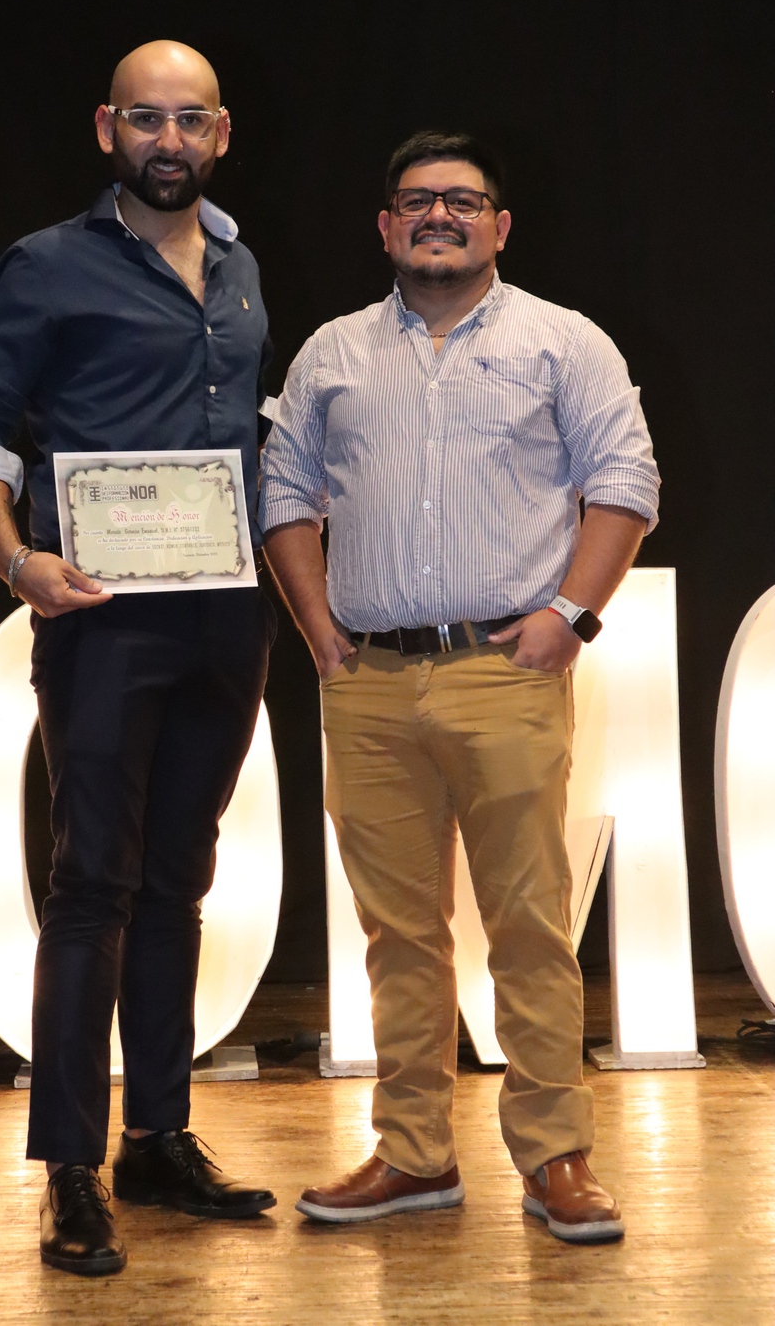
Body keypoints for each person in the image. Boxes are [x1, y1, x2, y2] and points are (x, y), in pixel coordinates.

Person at [261, 131, 659, 1244]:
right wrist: (319, 633)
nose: (439, 215)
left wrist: (569, 616)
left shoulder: (563, 341)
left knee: (529, 926)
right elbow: (283, 490)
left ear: (500, 225)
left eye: (463, 201)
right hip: (368, 683)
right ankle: (413, 1155)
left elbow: (626, 480)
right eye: (417, 201)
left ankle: (556, 1158)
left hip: (504, 672)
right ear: (386, 226)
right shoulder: (332, 353)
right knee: (398, 935)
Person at [0, 41, 277, 1276]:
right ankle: (71, 1168)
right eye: (145, 119)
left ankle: (157, 1140)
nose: (166, 141)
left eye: (189, 121)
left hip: (226, 615)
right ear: (105, 129)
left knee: (179, 884)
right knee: (91, 888)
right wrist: (14, 559)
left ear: (220, 134)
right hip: (99, 617)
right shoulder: (46, 264)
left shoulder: (240, 268)